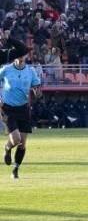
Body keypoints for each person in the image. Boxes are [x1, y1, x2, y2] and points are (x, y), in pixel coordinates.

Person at [1, 33, 40, 179]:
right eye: (18, 55)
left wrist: (37, 93)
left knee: (23, 144)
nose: (20, 57)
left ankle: (15, 169)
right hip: (8, 109)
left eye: (23, 55)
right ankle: (7, 147)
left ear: (26, 57)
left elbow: (37, 87)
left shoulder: (31, 71)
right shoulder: (6, 69)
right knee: (16, 139)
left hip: (23, 109)